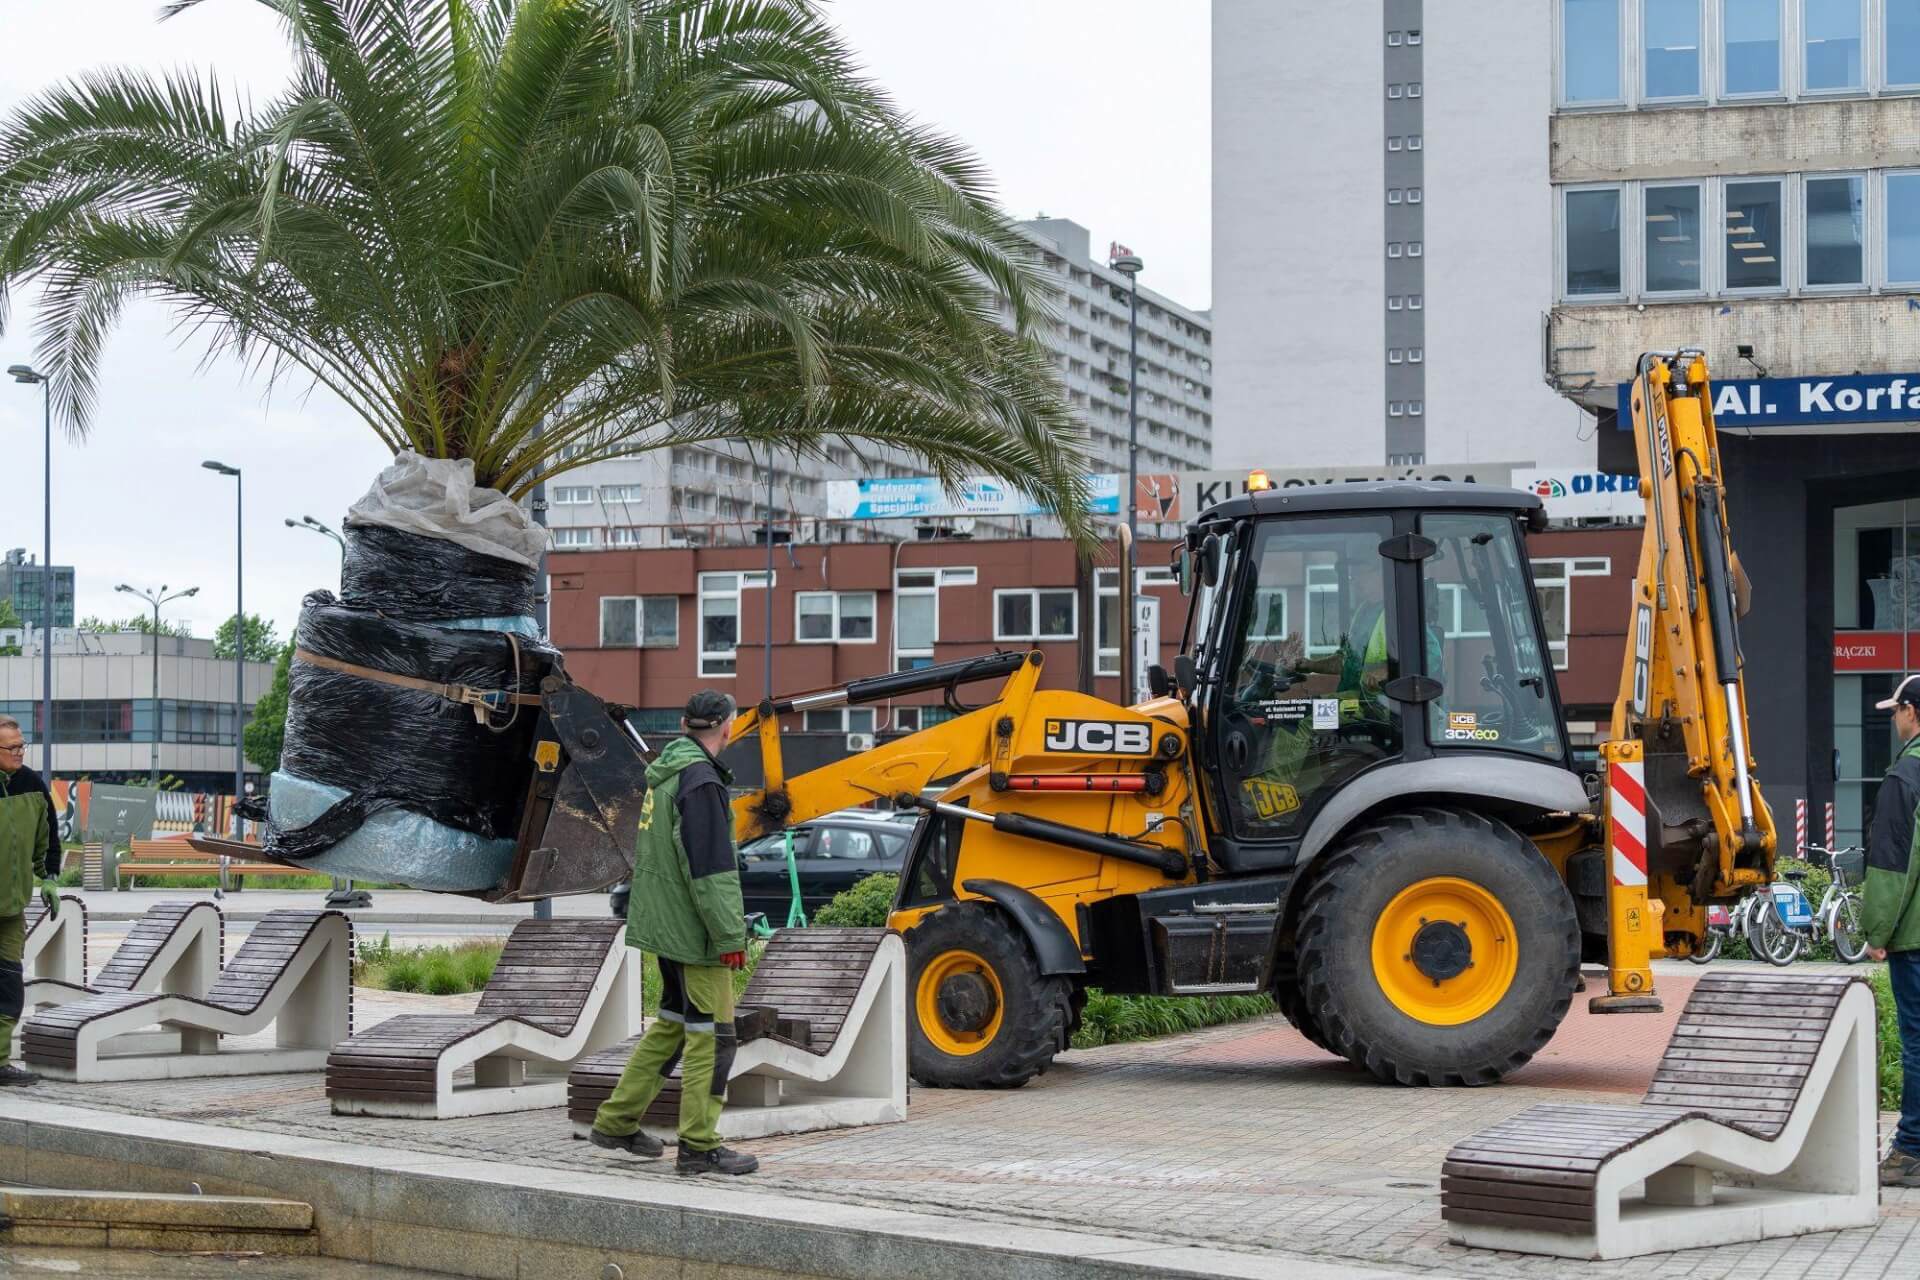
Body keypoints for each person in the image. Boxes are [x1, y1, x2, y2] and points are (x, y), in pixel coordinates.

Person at [588, 690, 758, 1176]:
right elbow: (710, 870)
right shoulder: (701, 781)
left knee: (674, 1026)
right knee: (715, 1038)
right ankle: (700, 1146)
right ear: (727, 726)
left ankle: (617, 1121)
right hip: (695, 934)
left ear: (686, 723)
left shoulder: (665, 774)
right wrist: (729, 937)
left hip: (665, 928)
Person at [1864, 673, 1920, 1187]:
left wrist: (1877, 932)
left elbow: (1893, 867)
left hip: (1917, 939)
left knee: (1918, 1042)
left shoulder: (1907, 777)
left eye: (1897, 710)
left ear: (1913, 713)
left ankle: (1911, 1150)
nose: (1895, 718)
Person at [0, 714, 58, 1086]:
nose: (20, 752)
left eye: (22, 745)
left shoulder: (32, 784)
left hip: (11, 909)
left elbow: (48, 838)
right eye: (12, 747)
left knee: (7, 987)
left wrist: (49, 877)